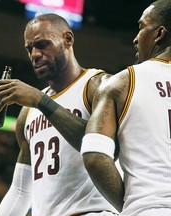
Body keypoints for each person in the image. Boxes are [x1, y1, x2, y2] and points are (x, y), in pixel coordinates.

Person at [0, 13, 119, 216]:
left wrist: (41, 101)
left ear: (68, 40)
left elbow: (108, 149)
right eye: (29, 49)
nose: (35, 54)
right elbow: (21, 191)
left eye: (42, 44)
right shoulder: (28, 112)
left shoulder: (99, 86)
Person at [81, 0, 171, 215]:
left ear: (159, 34)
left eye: (141, 28)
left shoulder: (122, 83)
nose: (135, 38)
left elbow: (94, 155)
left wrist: (131, 206)